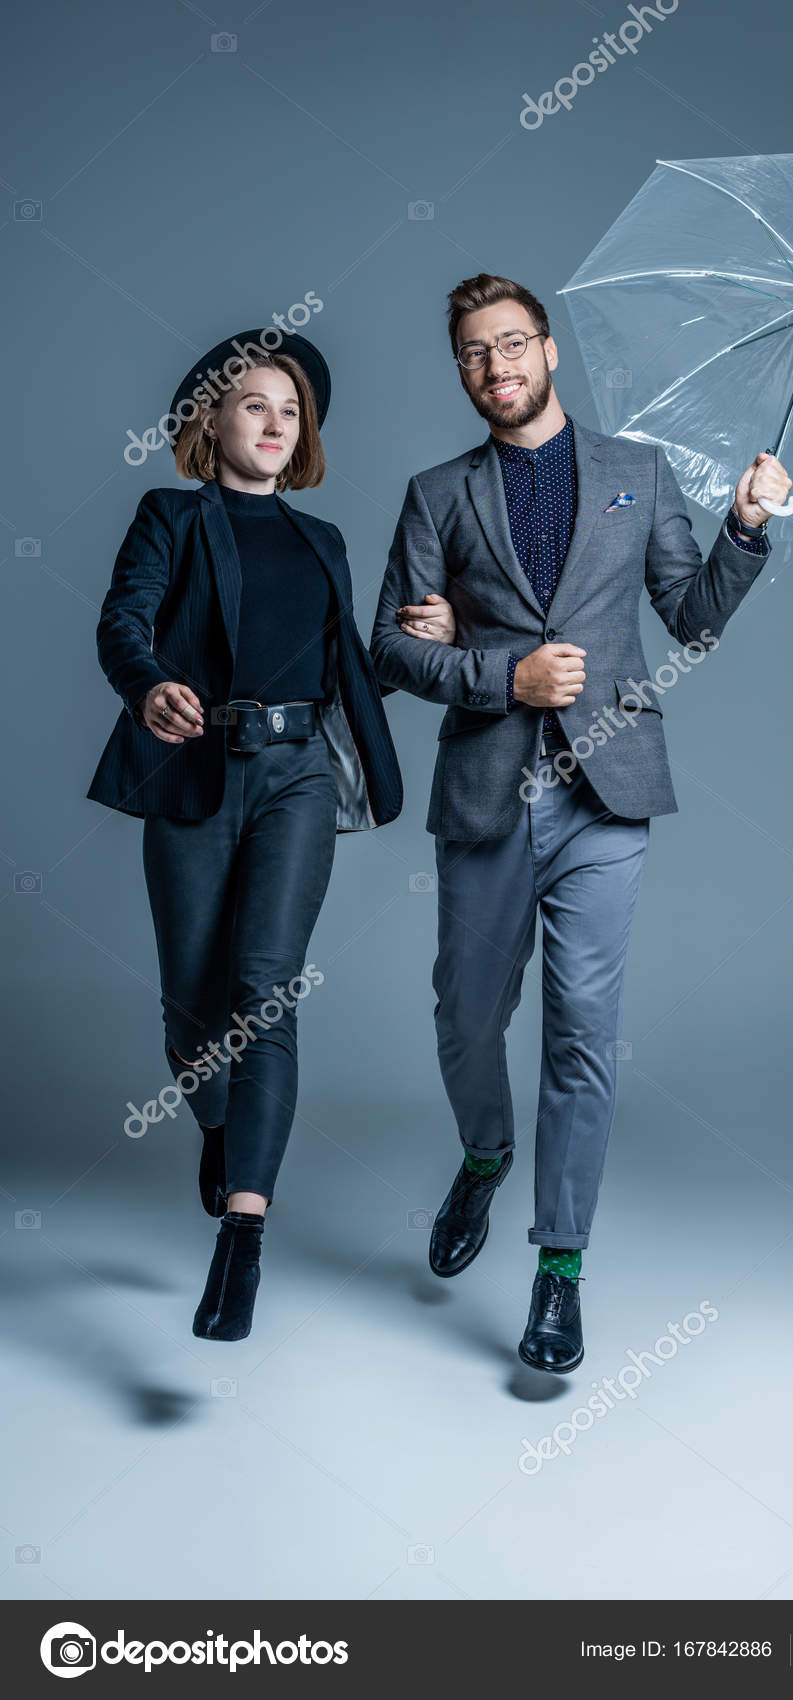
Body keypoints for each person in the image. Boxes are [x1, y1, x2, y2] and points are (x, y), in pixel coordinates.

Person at [371, 274, 791, 1373]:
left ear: (548, 350)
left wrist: (745, 527)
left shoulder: (637, 474)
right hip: (486, 795)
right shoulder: (436, 494)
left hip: (610, 796)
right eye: (472, 352)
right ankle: (484, 1151)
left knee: (581, 1037)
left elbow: (689, 615)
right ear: (461, 371)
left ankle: (560, 1269)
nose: (494, 364)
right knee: (466, 1012)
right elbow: (392, 652)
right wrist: (506, 672)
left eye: (511, 342)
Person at [87, 328, 452, 1341]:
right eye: (256, 404)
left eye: (291, 411)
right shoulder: (170, 514)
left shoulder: (321, 540)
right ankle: (218, 1124)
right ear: (212, 419)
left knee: (265, 994)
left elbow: (339, 679)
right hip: (196, 770)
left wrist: (412, 645)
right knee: (193, 1011)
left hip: (295, 779)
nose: (276, 423)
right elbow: (123, 622)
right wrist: (150, 684)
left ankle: (243, 1237)